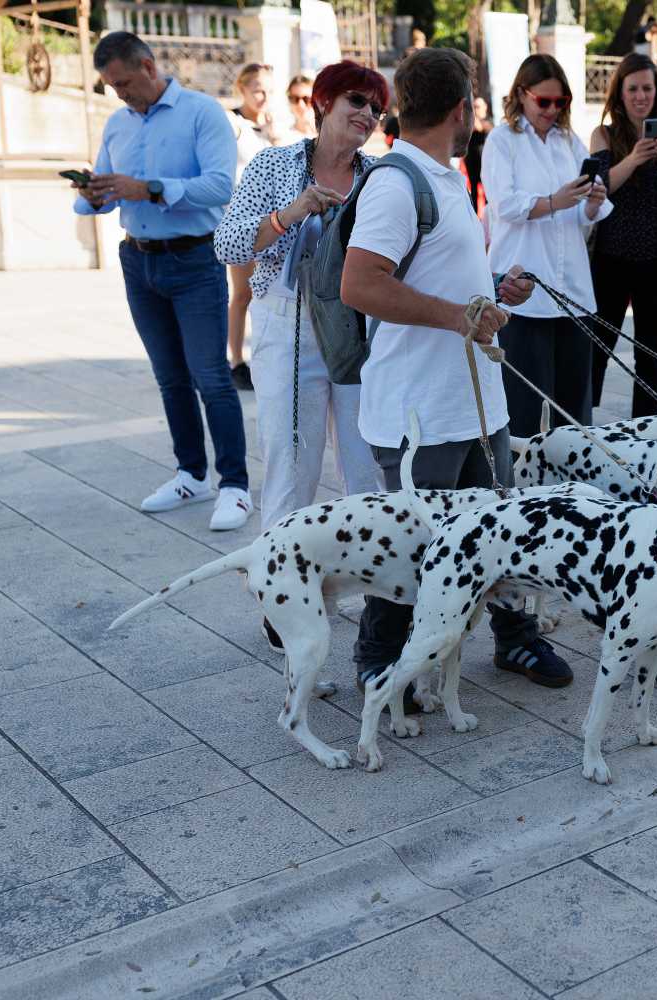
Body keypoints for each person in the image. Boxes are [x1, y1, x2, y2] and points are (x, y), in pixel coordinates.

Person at [339, 48, 573, 690]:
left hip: (475, 406)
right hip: (421, 416)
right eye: (474, 101)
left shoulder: (442, 176)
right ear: (460, 108)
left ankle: (514, 641)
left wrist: (494, 290)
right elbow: (359, 285)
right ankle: (377, 659)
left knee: (499, 533)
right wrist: (458, 317)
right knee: (411, 548)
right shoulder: (397, 182)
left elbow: (439, 277)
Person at [214, 60, 388, 649]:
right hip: (287, 327)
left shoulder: (378, 176)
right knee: (292, 466)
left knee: (368, 467)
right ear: (323, 103)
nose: (366, 115)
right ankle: (281, 596)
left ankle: (376, 605)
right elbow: (228, 243)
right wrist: (291, 213)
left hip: (359, 330)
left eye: (376, 108)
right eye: (357, 102)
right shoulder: (274, 163)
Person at [72, 32, 251, 530]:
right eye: (110, 85)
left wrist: (149, 189)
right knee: (169, 378)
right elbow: (109, 190)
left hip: (195, 260)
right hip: (138, 260)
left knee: (211, 377)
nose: (119, 93)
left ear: (149, 67)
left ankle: (234, 486)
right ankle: (190, 473)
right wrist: (93, 193)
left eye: (124, 82)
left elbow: (220, 186)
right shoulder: (116, 123)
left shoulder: (202, 113)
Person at [482, 53, 611, 436]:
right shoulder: (502, 140)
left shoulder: (568, 142)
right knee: (524, 406)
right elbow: (505, 204)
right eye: (544, 101)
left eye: (561, 102)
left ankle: (574, 488)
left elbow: (584, 216)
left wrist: (591, 201)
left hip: (572, 286)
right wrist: (555, 200)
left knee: (574, 411)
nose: (552, 110)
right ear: (522, 94)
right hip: (524, 290)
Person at [588, 53, 657, 417]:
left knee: (651, 353)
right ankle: (584, 424)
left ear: (656, 91)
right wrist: (634, 157)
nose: (640, 96)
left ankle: (645, 429)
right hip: (612, 258)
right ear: (620, 93)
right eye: (632, 88)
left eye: (647, 88)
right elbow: (599, 186)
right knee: (599, 346)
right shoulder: (603, 134)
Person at [226, 62, 284, 393]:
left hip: (273, 221)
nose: (264, 97)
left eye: (268, 90)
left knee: (268, 291)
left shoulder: (272, 126)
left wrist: (275, 137)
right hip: (240, 220)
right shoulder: (232, 124)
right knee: (243, 292)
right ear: (242, 89)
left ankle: (263, 356)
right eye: (258, 89)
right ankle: (235, 360)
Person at [462, 95, 494, 215]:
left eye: (478, 107)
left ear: (484, 107)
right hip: (472, 161)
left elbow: (482, 127)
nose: (476, 109)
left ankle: (489, 215)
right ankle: (475, 216)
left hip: (485, 163)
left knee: (487, 191)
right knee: (474, 191)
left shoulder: (488, 122)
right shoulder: (469, 123)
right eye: (474, 107)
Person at [286, 73, 317, 139]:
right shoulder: (284, 137)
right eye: (295, 98)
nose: (301, 105)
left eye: (306, 99)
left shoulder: (328, 135)